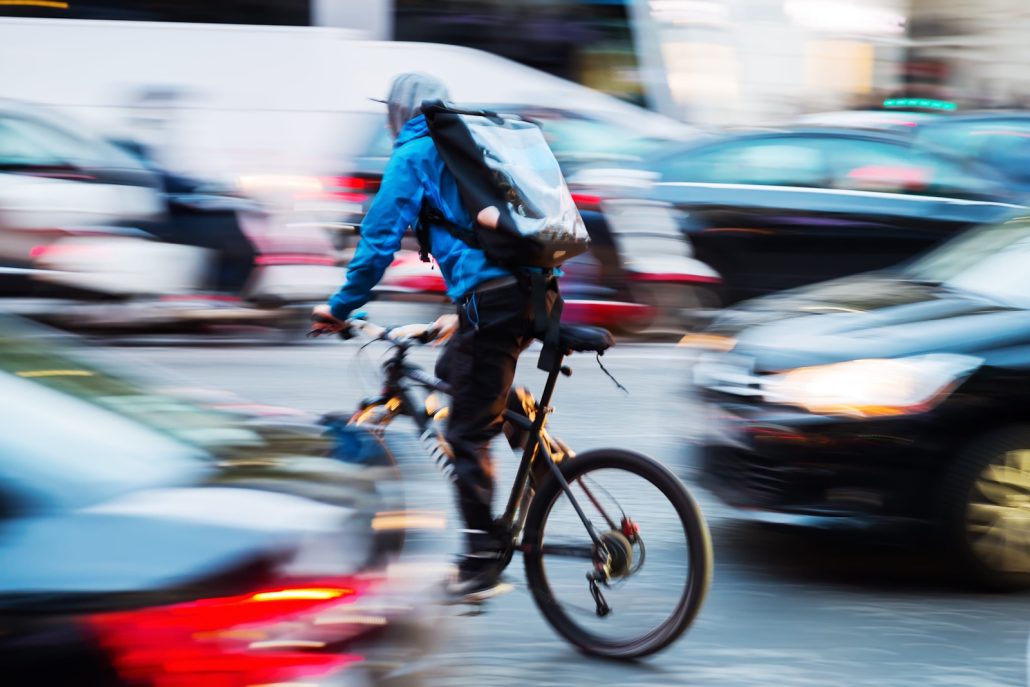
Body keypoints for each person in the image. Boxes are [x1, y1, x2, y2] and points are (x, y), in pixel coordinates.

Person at [312, 73, 553, 596]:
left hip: (495, 304)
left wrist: (339, 308)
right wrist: (458, 309)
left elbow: (377, 242)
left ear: (398, 114)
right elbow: (481, 239)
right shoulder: (468, 146)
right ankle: (528, 432)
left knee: (465, 432)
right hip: (532, 294)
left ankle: (480, 558)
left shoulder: (413, 154)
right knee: (451, 370)